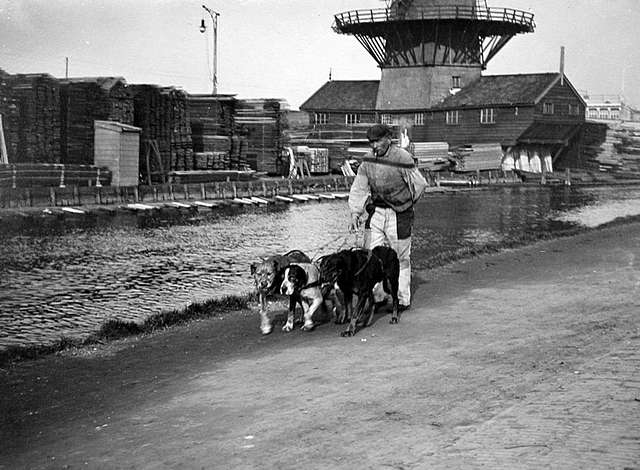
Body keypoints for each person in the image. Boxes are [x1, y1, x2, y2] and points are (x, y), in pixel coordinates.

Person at [348, 123, 428, 310]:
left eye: (377, 141)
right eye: (371, 142)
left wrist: (407, 204)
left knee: (400, 256)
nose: (374, 146)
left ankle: (401, 298)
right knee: (371, 254)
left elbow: (420, 184)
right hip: (376, 211)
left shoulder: (402, 157)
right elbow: (359, 187)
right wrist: (355, 212)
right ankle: (378, 295)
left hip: (399, 214)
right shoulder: (368, 161)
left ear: (388, 139)